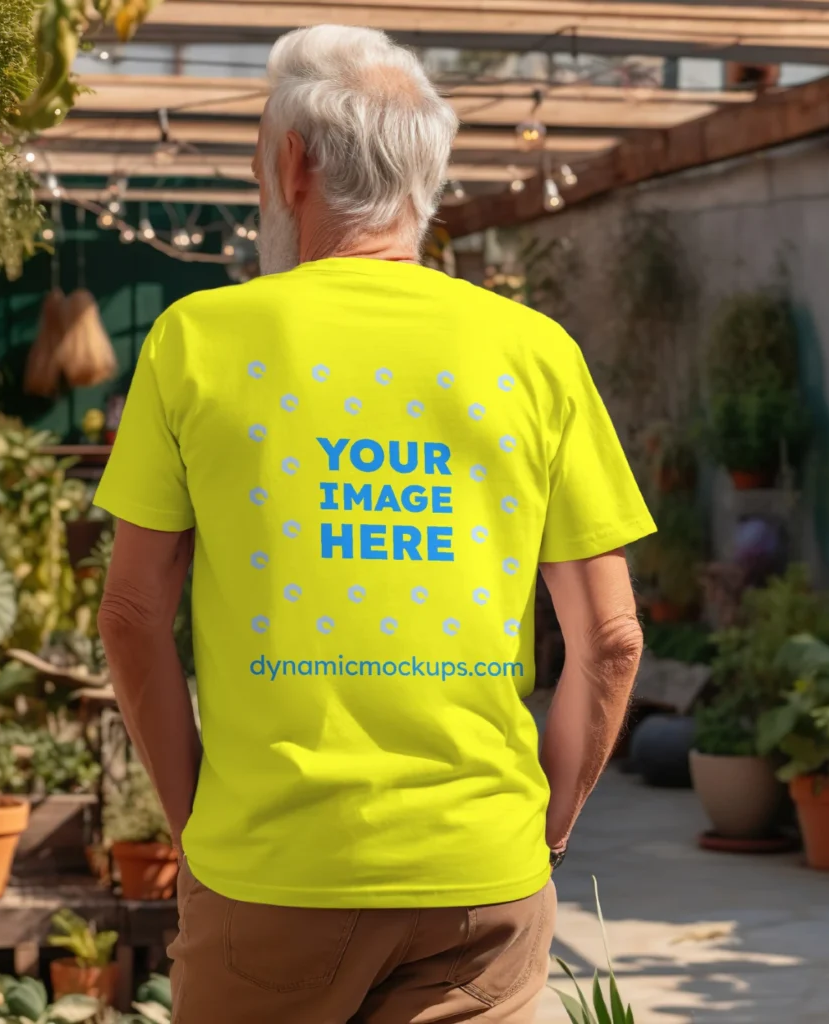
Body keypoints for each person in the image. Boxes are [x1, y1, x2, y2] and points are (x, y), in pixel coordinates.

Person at [95, 24, 655, 1024]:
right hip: (479, 884)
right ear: (424, 179)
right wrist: (544, 825)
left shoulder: (196, 342)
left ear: (295, 164)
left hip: (267, 876)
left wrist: (200, 825)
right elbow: (609, 639)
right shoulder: (533, 354)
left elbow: (132, 615)